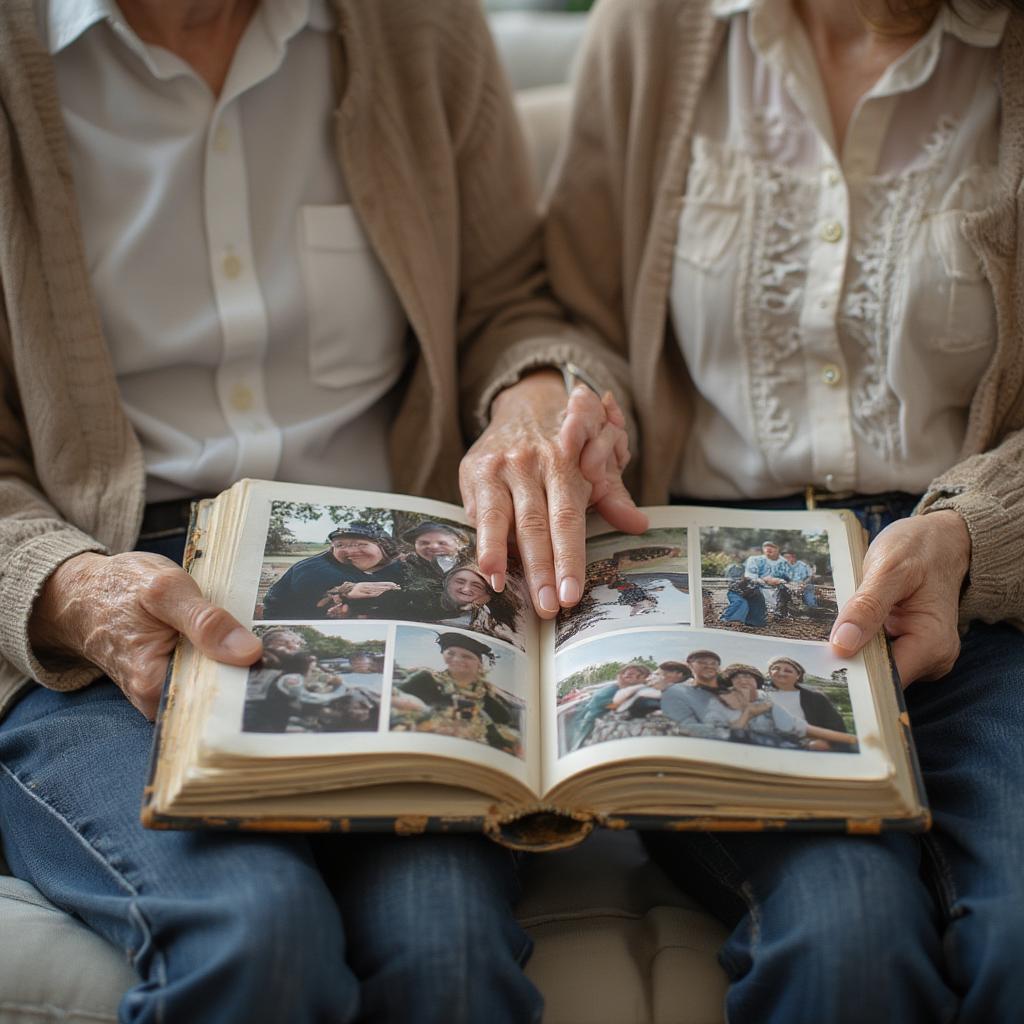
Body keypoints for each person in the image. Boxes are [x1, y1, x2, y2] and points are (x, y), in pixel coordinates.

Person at [0, 3, 649, 1022]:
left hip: (401, 584)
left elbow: (508, 301)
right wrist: (71, 586)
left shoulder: (415, 27)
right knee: (256, 932)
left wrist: (529, 396)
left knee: (445, 944)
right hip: (112, 608)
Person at [545, 0, 1024, 1018]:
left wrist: (968, 535)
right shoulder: (653, 30)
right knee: (846, 935)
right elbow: (571, 309)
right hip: (702, 575)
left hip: (975, 584)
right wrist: (584, 412)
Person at [391, 633, 524, 757]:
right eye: (451, 653)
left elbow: (503, 721)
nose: (457, 659)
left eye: (467, 656)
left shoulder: (485, 695)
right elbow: (394, 698)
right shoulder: (426, 679)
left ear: (479, 664)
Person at [262, 522, 405, 620]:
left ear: (385, 547)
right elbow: (309, 582)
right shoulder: (312, 568)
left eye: (361, 544)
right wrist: (345, 590)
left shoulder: (394, 565)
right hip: (290, 621)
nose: (350, 551)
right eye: (340, 545)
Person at [568, 662, 651, 751]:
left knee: (576, 745)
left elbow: (613, 706)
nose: (625, 676)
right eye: (624, 673)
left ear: (642, 677)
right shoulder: (615, 687)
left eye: (630, 675)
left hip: (592, 720)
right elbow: (596, 699)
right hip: (585, 712)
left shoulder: (636, 690)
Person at [764, 656, 849, 739]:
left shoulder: (815, 698)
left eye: (788, 671)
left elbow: (836, 726)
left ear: (798, 676)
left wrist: (827, 743)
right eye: (776, 669)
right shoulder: (761, 694)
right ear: (770, 673)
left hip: (806, 743)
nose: (781, 673)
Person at [610, 660, 691, 717]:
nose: (653, 677)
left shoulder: (685, 688)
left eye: (659, 674)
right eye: (656, 674)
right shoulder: (644, 688)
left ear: (679, 674)